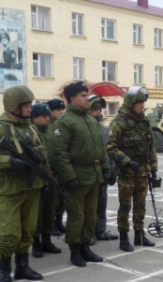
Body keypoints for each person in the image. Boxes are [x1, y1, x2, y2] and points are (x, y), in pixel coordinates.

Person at [0, 86, 46, 282]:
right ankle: (4, 270)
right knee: (10, 233)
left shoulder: (32, 129)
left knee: (28, 230)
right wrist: (10, 162)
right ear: (13, 107)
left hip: (31, 187)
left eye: (29, 105)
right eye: (25, 105)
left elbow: (43, 156)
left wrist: (46, 178)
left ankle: (22, 266)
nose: (29, 109)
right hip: (9, 190)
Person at [54, 81, 109, 266]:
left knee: (90, 214)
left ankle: (86, 247)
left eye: (87, 95)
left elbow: (101, 148)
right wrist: (69, 177)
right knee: (76, 216)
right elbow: (59, 154)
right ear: (72, 99)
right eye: (83, 96)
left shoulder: (91, 120)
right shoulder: (65, 121)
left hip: (94, 175)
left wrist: (106, 169)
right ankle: (75, 250)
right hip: (77, 176)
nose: (87, 98)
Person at [108, 87, 158, 252]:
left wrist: (154, 169)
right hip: (127, 174)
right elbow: (111, 147)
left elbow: (151, 147)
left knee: (140, 205)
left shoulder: (144, 122)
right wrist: (127, 162)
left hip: (143, 172)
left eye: (143, 103)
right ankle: (123, 237)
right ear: (131, 104)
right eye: (139, 103)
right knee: (125, 206)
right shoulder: (119, 122)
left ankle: (139, 234)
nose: (142, 106)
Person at [29, 103, 62, 258]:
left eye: (48, 116)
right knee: (37, 213)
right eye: (44, 116)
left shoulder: (50, 133)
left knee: (50, 211)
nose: (47, 119)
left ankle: (47, 240)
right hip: (36, 179)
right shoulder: (29, 133)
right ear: (34, 118)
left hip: (52, 178)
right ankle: (36, 242)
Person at [87, 95, 118, 243]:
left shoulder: (102, 129)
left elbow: (108, 151)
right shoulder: (83, 128)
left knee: (102, 202)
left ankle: (100, 230)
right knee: (89, 205)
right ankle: (89, 233)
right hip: (88, 173)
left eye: (99, 109)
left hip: (102, 172)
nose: (98, 112)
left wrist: (112, 170)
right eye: (94, 110)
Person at [46, 98, 67, 236]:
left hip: (61, 167)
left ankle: (59, 221)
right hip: (51, 168)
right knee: (52, 200)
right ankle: (51, 224)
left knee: (62, 198)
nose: (61, 112)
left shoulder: (61, 124)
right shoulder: (47, 125)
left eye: (62, 109)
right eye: (58, 110)